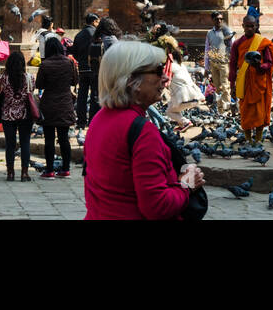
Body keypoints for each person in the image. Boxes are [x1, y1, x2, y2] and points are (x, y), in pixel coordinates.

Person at [83, 40, 204, 219]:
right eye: (157, 71)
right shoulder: (142, 131)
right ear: (133, 81)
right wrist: (186, 185)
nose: (165, 78)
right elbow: (157, 206)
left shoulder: (99, 119)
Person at [35, 35, 75, 178]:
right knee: (64, 138)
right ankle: (65, 168)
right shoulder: (69, 62)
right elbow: (74, 81)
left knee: (49, 139)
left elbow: (39, 85)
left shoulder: (45, 64)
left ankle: (50, 170)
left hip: (49, 105)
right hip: (65, 103)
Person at [229, 14, 273, 141]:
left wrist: (259, 66)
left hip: (259, 82)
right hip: (243, 82)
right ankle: (248, 140)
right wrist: (232, 86)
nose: (249, 28)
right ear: (242, 26)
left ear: (256, 26)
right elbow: (232, 65)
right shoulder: (237, 44)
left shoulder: (263, 43)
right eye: (247, 26)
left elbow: (269, 62)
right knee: (245, 113)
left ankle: (258, 140)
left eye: (252, 26)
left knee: (259, 113)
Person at [0, 49, 35, 181]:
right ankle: (24, 173)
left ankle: (10, 173)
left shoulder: (2, 78)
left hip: (8, 115)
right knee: (25, 143)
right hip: (25, 115)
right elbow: (32, 91)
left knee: (10, 144)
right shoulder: (29, 78)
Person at [86, 17, 122, 123]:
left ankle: (93, 121)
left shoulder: (96, 38)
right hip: (108, 74)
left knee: (95, 97)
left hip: (95, 72)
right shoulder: (112, 39)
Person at [72, 12, 100, 129]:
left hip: (82, 69)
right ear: (94, 22)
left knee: (82, 95)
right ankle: (92, 120)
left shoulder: (78, 35)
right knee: (94, 94)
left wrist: (82, 61)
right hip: (94, 69)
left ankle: (81, 121)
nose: (98, 24)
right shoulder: (96, 34)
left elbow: (75, 53)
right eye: (98, 21)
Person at [203, 12, 233, 112]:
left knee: (225, 86)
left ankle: (227, 109)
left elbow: (232, 47)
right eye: (217, 19)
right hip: (213, 63)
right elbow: (207, 49)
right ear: (213, 20)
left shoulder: (227, 32)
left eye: (221, 19)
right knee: (217, 88)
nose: (219, 21)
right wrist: (206, 68)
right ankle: (221, 110)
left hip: (224, 62)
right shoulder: (209, 33)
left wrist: (234, 63)